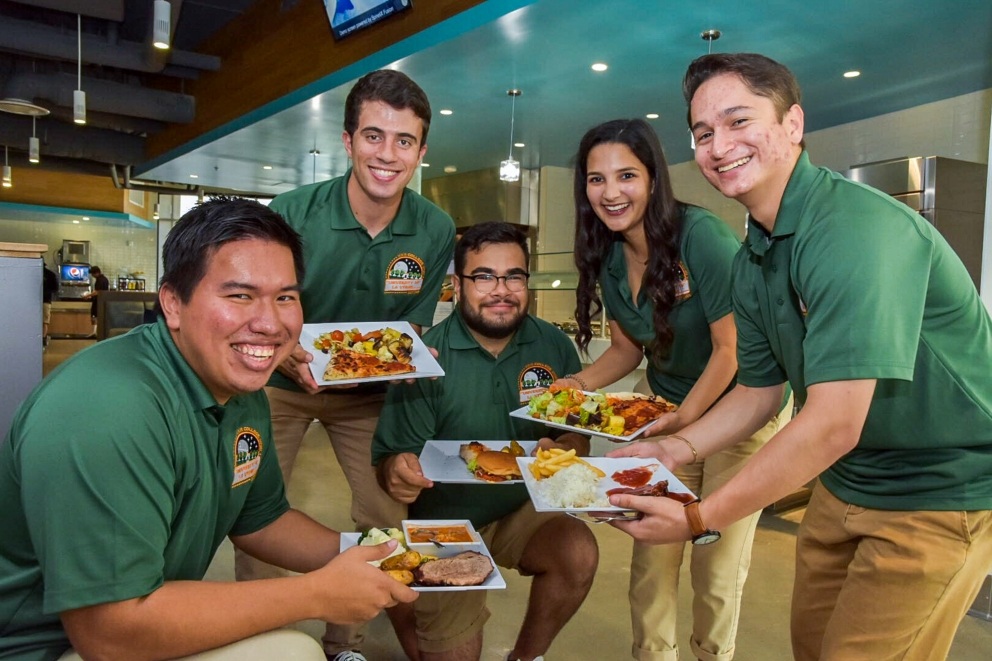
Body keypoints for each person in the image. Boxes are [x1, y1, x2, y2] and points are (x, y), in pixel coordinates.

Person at [608, 52, 992, 661]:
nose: (718, 145)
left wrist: (697, 518)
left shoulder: (853, 229)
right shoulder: (754, 254)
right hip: (844, 486)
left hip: (935, 494)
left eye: (739, 121)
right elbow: (759, 391)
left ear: (793, 124)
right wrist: (673, 448)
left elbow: (835, 421)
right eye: (703, 133)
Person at [0, 197, 417, 661]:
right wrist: (317, 595)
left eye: (286, 297)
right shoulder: (105, 407)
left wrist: (375, 550)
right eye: (240, 295)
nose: (270, 323)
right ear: (173, 304)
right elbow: (109, 634)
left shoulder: (241, 391)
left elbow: (261, 521)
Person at [234, 68, 455, 661]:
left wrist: (418, 355)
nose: (388, 154)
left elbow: (413, 326)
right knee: (253, 511)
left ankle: (346, 643)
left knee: (387, 513)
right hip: (280, 383)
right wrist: (283, 352)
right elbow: (260, 302)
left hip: (370, 396)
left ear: (422, 151)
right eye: (374, 136)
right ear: (349, 140)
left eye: (404, 141)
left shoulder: (435, 229)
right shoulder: (293, 211)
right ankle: (259, 640)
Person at [558, 118, 791, 661]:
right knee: (650, 560)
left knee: (716, 563)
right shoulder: (611, 257)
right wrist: (572, 386)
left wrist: (683, 423)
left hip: (738, 411)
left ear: (654, 179)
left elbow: (729, 350)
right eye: (596, 180)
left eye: (626, 176)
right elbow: (625, 350)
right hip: (666, 411)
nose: (611, 193)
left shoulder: (700, 235)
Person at [372, 222, 599, 661]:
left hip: (519, 510)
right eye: (484, 277)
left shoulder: (554, 346)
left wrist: (568, 447)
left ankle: (524, 658)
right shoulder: (426, 357)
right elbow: (388, 464)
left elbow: (578, 435)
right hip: (446, 527)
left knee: (577, 550)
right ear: (457, 285)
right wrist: (397, 473)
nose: (502, 290)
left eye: (514, 276)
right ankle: (404, 606)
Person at [84, 265, 109, 329]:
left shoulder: (99, 280)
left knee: (95, 315)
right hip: (103, 300)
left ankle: (95, 331)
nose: (92, 275)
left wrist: (88, 295)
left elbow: (98, 292)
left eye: (92, 274)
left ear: (97, 272)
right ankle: (96, 331)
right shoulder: (104, 279)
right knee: (99, 316)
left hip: (98, 301)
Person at [41, 259, 58, 347]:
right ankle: (43, 338)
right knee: (45, 321)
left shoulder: (32, 274)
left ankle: (41, 338)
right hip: (46, 301)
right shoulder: (51, 274)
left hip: (34, 301)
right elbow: (55, 289)